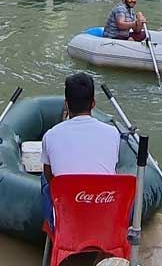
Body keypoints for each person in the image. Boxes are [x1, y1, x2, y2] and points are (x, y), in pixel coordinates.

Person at [39, 73, 121, 227]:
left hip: (68, 221)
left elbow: (49, 177)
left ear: (66, 104)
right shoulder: (113, 133)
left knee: (44, 179)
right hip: (104, 218)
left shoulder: (50, 135)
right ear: (93, 104)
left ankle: (55, 231)